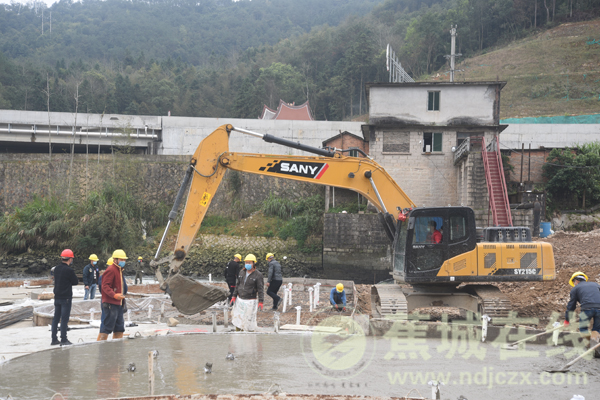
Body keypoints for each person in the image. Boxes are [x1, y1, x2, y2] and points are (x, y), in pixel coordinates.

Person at [98, 250, 128, 341]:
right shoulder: (111, 270)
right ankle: (102, 348)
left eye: (124, 259)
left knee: (119, 327)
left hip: (118, 304)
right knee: (106, 327)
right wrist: (114, 295)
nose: (123, 261)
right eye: (121, 259)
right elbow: (104, 286)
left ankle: (117, 349)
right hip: (111, 304)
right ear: (115, 260)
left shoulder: (119, 270)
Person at [51, 249, 79, 346]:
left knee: (56, 318)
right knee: (64, 319)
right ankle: (64, 339)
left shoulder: (56, 269)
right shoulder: (69, 270)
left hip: (57, 296)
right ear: (70, 259)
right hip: (66, 297)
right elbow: (75, 281)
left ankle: (54, 339)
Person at [565, 271, 600, 348]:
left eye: (574, 282)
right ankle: (594, 343)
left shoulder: (575, 289)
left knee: (583, 328)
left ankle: (589, 345)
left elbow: (571, 306)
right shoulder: (596, 285)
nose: (574, 284)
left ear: (576, 281)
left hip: (586, 309)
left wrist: (567, 319)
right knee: (597, 328)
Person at [230, 254, 264, 331]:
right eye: (246, 262)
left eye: (249, 262)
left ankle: (249, 336)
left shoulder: (258, 275)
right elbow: (238, 284)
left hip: (250, 300)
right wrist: (234, 296)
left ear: (253, 263)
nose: (247, 264)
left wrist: (261, 301)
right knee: (238, 319)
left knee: (249, 320)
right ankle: (238, 335)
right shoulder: (242, 272)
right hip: (240, 299)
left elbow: (260, 289)